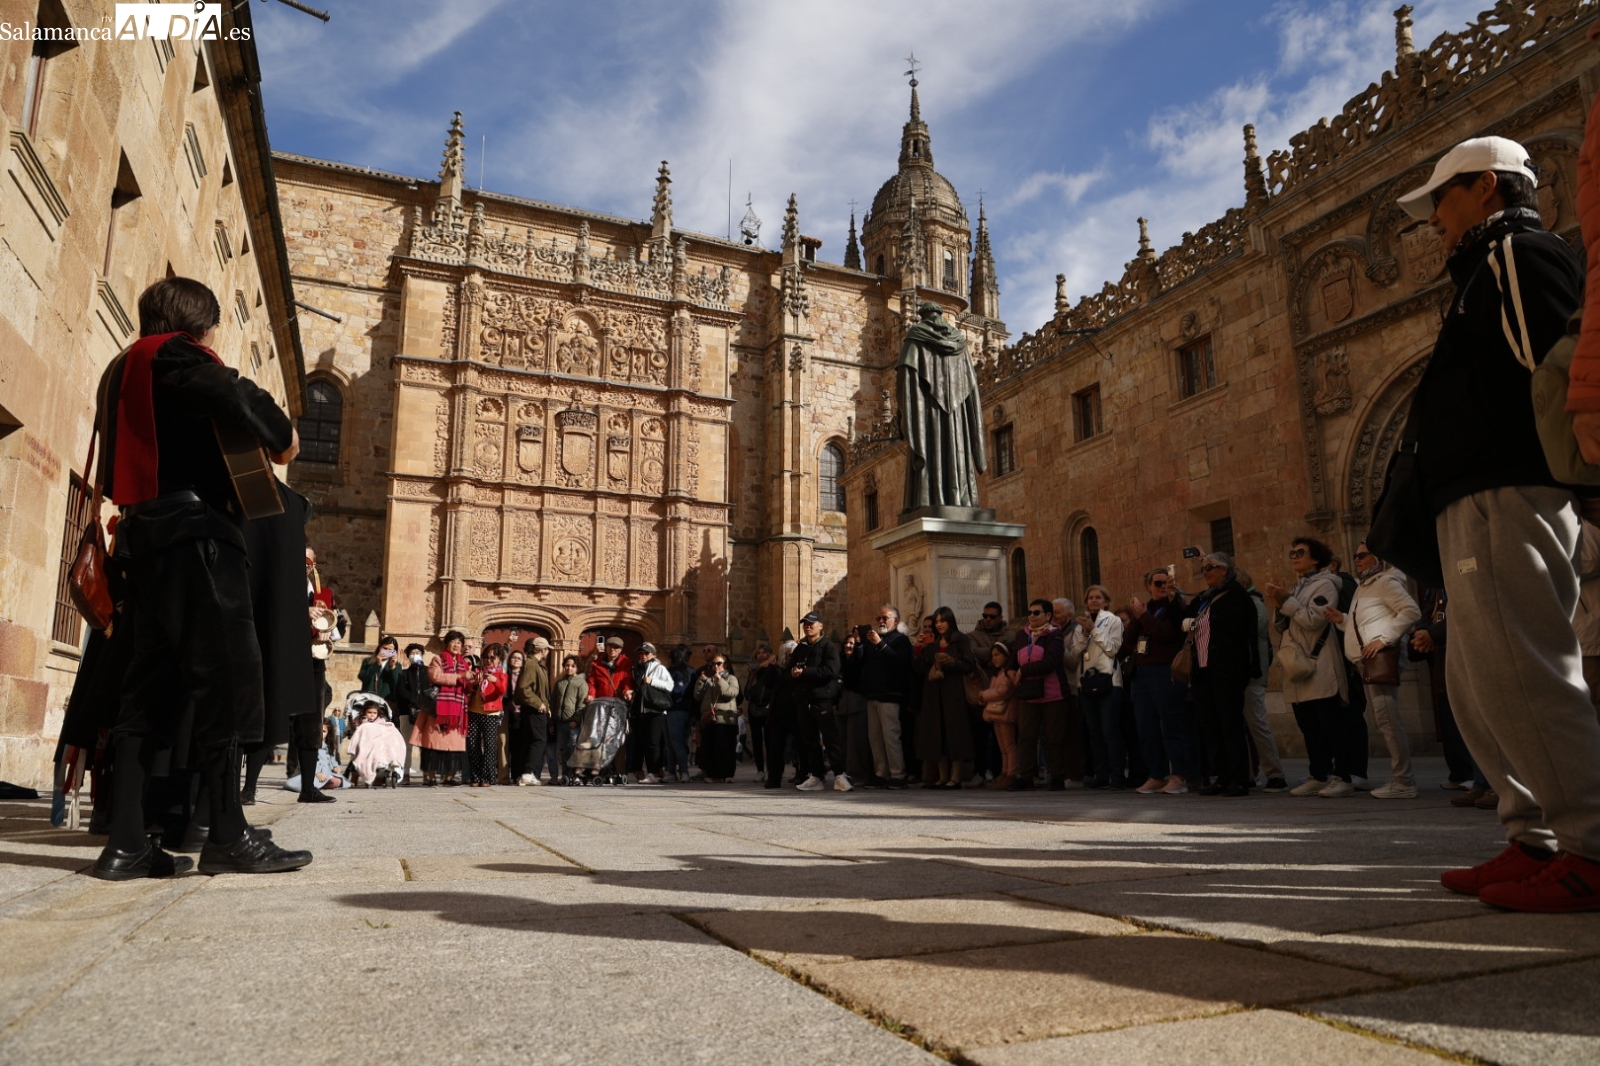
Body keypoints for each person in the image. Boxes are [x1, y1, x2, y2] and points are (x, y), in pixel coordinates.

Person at [1394, 133, 1600, 909]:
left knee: (1524, 669)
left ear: (1486, 186)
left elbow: (1557, 368)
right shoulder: (1483, 267)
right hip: (1472, 496)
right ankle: (1532, 837)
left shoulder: (1517, 253)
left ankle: (1590, 844)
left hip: (1508, 486)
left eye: (1441, 199)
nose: (1433, 219)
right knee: (1480, 680)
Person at [90, 277, 311, 880]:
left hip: (144, 537)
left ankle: (126, 844)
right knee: (229, 683)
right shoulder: (177, 356)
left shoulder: (121, 366)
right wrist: (282, 432)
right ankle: (228, 836)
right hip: (197, 537)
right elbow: (238, 397)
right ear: (201, 324)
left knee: (147, 690)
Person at [1322, 543, 1421, 799]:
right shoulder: (1365, 585)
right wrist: (1342, 619)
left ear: (1379, 557)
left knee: (1388, 719)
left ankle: (1404, 781)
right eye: (1355, 556)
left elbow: (1411, 611)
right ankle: (1401, 778)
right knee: (1384, 720)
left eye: (1363, 555)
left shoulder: (1386, 581)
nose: (1357, 559)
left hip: (1380, 659)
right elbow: (1364, 623)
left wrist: (1384, 639)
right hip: (1365, 662)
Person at [1265, 538, 1357, 798]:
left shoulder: (1326, 585)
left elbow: (1314, 620)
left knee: (1330, 723)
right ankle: (1319, 774)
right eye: (1292, 553)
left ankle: (1343, 777)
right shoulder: (1299, 587)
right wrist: (1280, 603)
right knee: (1309, 725)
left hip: (1320, 662)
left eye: (1300, 552)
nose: (1294, 556)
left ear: (1316, 558)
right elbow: (1284, 625)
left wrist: (1286, 600)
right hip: (1299, 664)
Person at [897, 301, 987, 510]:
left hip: (927, 412)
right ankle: (961, 499)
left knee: (932, 449)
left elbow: (905, 378)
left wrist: (902, 413)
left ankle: (928, 498)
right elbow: (971, 385)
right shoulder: (960, 343)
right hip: (957, 415)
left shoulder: (915, 336)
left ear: (923, 316)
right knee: (957, 449)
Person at [1184, 554, 1260, 797]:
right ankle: (1222, 776)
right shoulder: (1205, 599)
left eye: (1210, 567)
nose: (1205, 572)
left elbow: (1244, 634)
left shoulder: (1237, 596)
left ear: (1225, 570)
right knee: (1211, 725)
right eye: (1203, 568)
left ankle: (1239, 778)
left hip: (1227, 670)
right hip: (1203, 670)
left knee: (1230, 724)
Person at [1125, 568, 1198, 795]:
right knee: (1146, 728)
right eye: (1157, 583)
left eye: (1166, 583)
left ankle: (1179, 775)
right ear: (1149, 586)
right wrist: (1138, 617)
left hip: (1165, 672)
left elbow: (1166, 634)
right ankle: (1156, 775)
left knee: (1171, 726)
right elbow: (1127, 641)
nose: (1162, 586)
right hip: (1141, 674)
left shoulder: (1175, 608)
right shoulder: (1145, 610)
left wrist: (1144, 617)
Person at [1008, 599, 1079, 791]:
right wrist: (1011, 672)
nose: (1031, 616)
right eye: (1030, 612)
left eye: (1036, 612)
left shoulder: (1055, 635)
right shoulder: (1021, 635)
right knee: (1026, 736)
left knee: (1054, 737)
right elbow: (1012, 661)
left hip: (1052, 694)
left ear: (1048, 616)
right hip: (1028, 694)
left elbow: (1050, 662)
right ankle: (1026, 777)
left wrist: (1023, 671)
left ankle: (1057, 777)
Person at [1235, 570, 1288, 793]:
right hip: (1236, 674)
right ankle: (1247, 774)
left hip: (1252, 673)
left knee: (1257, 723)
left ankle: (1275, 774)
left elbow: (1246, 631)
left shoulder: (1255, 605)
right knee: (1240, 726)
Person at [1072, 585, 1126, 790]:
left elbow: (1113, 649)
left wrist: (1094, 630)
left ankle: (1117, 776)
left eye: (1098, 597)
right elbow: (1074, 653)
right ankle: (1101, 775)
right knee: (1094, 732)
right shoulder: (1080, 625)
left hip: (1109, 681)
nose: (1094, 600)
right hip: (1086, 682)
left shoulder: (1113, 621)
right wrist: (1085, 634)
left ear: (1106, 601)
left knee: (1110, 730)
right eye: (1090, 598)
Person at [784, 612, 846, 792]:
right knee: (810, 740)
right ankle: (817, 776)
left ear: (821, 626)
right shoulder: (801, 649)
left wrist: (805, 672)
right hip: (804, 700)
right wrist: (793, 674)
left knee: (830, 738)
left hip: (822, 700)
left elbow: (831, 670)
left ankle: (839, 774)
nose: (808, 626)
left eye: (811, 623)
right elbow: (788, 671)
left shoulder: (828, 647)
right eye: (805, 624)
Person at [857, 606, 913, 788]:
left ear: (895, 621)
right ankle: (881, 773)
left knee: (891, 737)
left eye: (885, 618)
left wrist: (880, 644)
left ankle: (898, 774)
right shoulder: (873, 642)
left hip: (890, 696)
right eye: (878, 618)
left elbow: (900, 663)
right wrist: (860, 644)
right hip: (872, 695)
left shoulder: (901, 640)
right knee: (875, 738)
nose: (881, 621)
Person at [418, 630, 474, 786]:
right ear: (447, 643)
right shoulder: (438, 659)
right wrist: (460, 676)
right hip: (440, 708)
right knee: (434, 743)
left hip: (458, 708)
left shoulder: (464, 664)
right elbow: (435, 676)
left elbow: (467, 686)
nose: (456, 645)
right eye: (453, 641)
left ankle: (449, 776)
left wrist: (473, 681)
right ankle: (430, 776)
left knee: (454, 745)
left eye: (459, 642)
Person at [694, 651, 741, 781]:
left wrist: (720, 681)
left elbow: (731, 693)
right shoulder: (708, 679)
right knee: (710, 747)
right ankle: (713, 774)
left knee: (724, 747)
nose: (716, 666)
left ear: (725, 665)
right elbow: (697, 696)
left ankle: (727, 774)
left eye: (719, 663)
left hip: (724, 719)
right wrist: (700, 682)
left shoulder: (731, 678)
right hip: (709, 718)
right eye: (714, 664)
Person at [465, 644, 508, 786]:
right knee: (472, 745)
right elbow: (468, 689)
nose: (488, 660)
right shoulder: (477, 671)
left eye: (492, 658)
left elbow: (502, 691)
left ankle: (486, 778)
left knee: (489, 746)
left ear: (499, 659)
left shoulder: (501, 674)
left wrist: (495, 681)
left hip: (491, 713)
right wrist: (474, 684)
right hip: (474, 711)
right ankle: (475, 777)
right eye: (485, 657)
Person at [978, 642, 1019, 790]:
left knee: (1009, 745)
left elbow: (1002, 692)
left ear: (1006, 656)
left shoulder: (1008, 673)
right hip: (996, 713)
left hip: (1006, 712)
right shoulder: (997, 673)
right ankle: (1004, 772)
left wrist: (983, 695)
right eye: (992, 656)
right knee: (1002, 747)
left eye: (997, 655)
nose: (994, 658)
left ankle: (1011, 773)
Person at [512, 638, 553, 785]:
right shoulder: (531, 664)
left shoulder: (538, 665)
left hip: (537, 709)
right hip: (533, 709)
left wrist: (547, 706)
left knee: (530, 741)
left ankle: (524, 773)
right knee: (539, 740)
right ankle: (528, 772)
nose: (548, 652)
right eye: (547, 649)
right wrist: (538, 703)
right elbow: (524, 688)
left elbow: (541, 691)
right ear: (542, 650)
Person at [633, 643, 674, 783]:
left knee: (653, 743)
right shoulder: (638, 669)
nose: (643, 656)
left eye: (646, 653)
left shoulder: (659, 668)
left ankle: (654, 773)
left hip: (656, 710)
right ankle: (653, 771)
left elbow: (669, 685)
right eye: (641, 653)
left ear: (653, 654)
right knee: (643, 742)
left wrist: (652, 681)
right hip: (641, 710)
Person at [838, 631, 874, 786]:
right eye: (847, 643)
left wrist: (859, 644)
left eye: (852, 643)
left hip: (857, 702)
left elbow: (859, 662)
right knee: (842, 741)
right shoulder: (840, 660)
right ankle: (843, 774)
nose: (848, 646)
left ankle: (857, 775)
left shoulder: (860, 660)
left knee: (856, 742)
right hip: (841, 703)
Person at [391, 642, 430, 783]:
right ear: (408, 656)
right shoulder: (404, 673)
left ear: (422, 655)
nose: (415, 655)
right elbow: (400, 691)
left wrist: (424, 701)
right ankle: (405, 773)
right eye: (412, 653)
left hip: (425, 712)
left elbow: (433, 689)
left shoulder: (429, 672)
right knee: (407, 744)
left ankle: (427, 774)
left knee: (426, 745)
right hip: (407, 711)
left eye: (417, 653)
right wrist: (414, 699)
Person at [347, 700, 406, 787]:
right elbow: (359, 731)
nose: (372, 715)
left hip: (379, 742)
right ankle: (354, 778)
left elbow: (385, 730)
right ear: (364, 712)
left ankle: (392, 760)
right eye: (369, 712)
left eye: (374, 713)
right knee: (358, 756)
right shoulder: (360, 720)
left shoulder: (381, 720)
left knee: (392, 736)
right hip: (365, 742)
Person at [550, 654, 587, 784]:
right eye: (567, 665)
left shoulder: (581, 683)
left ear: (577, 668)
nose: (569, 668)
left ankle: (575, 775)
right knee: (563, 750)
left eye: (572, 666)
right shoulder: (559, 683)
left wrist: (576, 719)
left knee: (573, 748)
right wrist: (552, 721)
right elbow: (553, 702)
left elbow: (582, 703)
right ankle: (565, 775)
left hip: (573, 722)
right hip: (560, 722)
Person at [665, 645, 697, 783]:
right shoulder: (690, 672)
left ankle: (684, 771)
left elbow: (677, 691)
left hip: (677, 709)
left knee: (676, 742)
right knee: (671, 743)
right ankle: (671, 771)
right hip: (676, 710)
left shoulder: (681, 672)